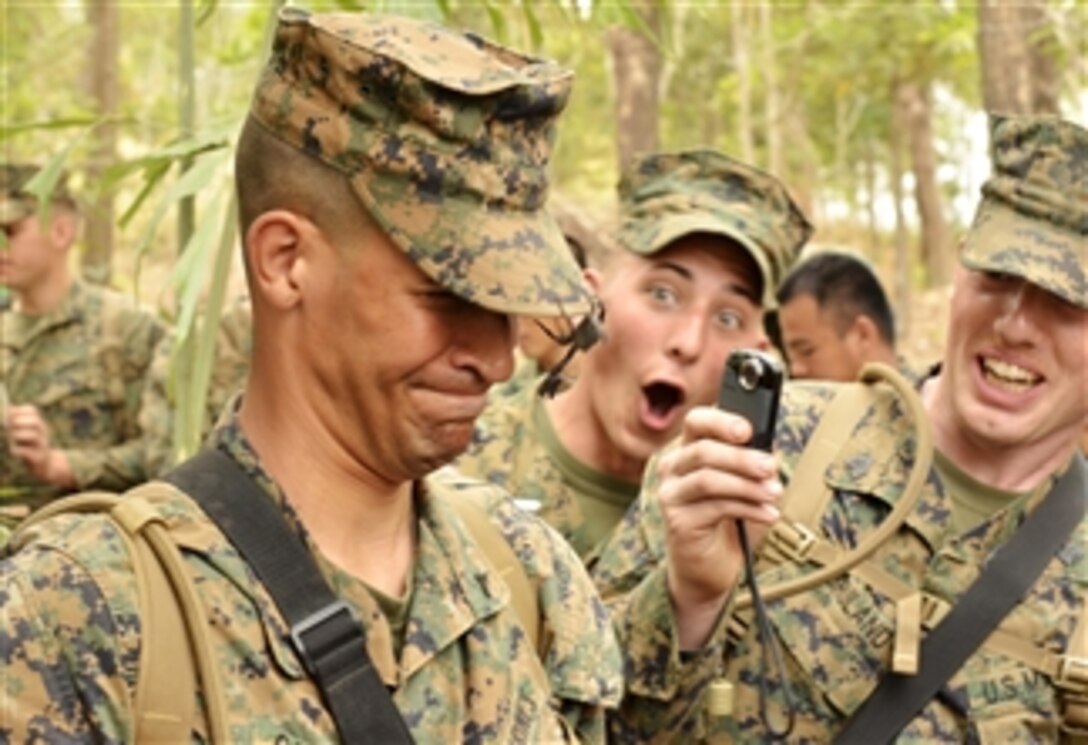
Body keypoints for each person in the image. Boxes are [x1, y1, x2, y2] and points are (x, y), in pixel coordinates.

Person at [0, 10, 725, 742]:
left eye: (509, 303)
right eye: (449, 293)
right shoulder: (79, 615)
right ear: (286, 260)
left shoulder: (529, 574)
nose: (497, 357)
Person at [591, 113, 1087, 741]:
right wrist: (688, 601)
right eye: (999, 277)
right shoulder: (759, 450)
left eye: (1069, 302)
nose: (1016, 325)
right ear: (961, 272)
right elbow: (583, 719)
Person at [456, 150, 811, 562]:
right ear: (588, 299)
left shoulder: (762, 523)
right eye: (663, 294)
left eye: (728, 318)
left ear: (757, 353)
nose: (688, 342)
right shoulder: (459, 471)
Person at [0, 164, 164, 538]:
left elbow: (163, 456)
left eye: (9, 230)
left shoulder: (125, 329)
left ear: (61, 232)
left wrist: (60, 465)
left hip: (92, 562)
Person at [775, 249, 902, 381]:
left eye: (807, 351)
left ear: (863, 335)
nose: (795, 370)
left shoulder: (921, 399)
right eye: (790, 358)